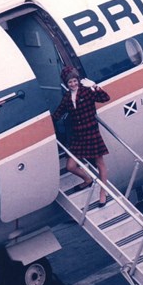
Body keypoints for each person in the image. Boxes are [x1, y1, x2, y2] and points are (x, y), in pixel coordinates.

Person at [52, 66, 110, 207]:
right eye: (69, 82)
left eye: (74, 81)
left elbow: (105, 98)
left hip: (91, 133)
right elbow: (57, 114)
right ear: (66, 84)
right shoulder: (67, 97)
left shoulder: (87, 92)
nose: (73, 84)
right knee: (71, 166)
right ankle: (87, 179)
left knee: (100, 163)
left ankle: (103, 192)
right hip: (78, 136)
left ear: (78, 80)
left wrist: (95, 86)